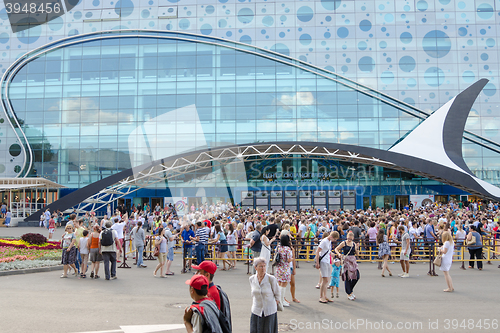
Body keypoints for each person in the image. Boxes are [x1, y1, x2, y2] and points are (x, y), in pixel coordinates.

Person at [249, 257, 280, 333]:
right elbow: (253, 293)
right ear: (255, 267)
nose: (263, 268)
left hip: (269, 311)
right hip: (256, 310)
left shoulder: (271, 279)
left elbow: (277, 294)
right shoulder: (252, 279)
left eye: (264, 266)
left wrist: (273, 304)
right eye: (260, 266)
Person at [335, 231, 360, 301]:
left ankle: (350, 290)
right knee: (348, 277)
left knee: (357, 276)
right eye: (348, 238)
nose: (349, 240)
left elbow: (358, 254)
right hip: (346, 260)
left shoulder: (354, 244)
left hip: (353, 260)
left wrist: (357, 248)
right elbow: (336, 249)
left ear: (353, 238)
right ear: (346, 237)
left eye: (351, 239)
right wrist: (339, 254)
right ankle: (349, 293)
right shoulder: (344, 243)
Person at [315, 231, 335, 304]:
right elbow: (318, 251)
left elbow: (328, 251)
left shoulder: (329, 241)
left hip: (327, 260)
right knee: (324, 279)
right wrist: (317, 262)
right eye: (334, 239)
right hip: (323, 261)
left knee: (327, 280)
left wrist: (331, 253)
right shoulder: (324, 241)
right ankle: (321, 296)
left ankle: (325, 295)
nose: (334, 241)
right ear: (332, 237)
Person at [274, 234, 293, 308]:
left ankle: (279, 300)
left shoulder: (278, 247)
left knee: (279, 284)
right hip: (285, 268)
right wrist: (292, 259)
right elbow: (288, 259)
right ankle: (281, 301)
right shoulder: (287, 249)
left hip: (279, 267)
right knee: (284, 285)